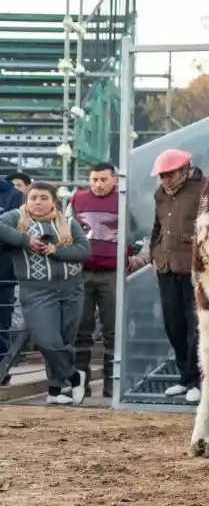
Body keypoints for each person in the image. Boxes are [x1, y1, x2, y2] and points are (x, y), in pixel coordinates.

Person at [0, 181, 91, 405]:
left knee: (64, 341)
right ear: (26, 200)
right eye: (33, 198)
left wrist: (56, 250)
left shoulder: (68, 222)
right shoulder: (16, 218)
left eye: (43, 198)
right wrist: (26, 240)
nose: (38, 202)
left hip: (72, 288)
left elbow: (84, 250)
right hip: (36, 290)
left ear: (53, 201)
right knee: (46, 340)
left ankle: (55, 390)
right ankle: (74, 376)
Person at [149, 149, 205, 403]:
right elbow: (157, 226)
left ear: (184, 169)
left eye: (169, 174)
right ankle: (185, 377)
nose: (165, 180)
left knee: (196, 325)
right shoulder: (160, 194)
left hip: (195, 268)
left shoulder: (205, 189)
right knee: (173, 324)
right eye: (161, 176)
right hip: (166, 267)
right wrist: (154, 253)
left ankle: (196, 380)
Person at [67, 162, 121, 398]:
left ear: (115, 179)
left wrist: (139, 256)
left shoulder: (124, 200)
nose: (98, 184)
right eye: (94, 180)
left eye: (103, 179)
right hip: (82, 271)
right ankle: (80, 383)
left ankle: (112, 383)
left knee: (113, 329)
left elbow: (141, 229)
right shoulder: (77, 199)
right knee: (81, 329)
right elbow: (65, 229)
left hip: (113, 272)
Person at [0, 178, 24, 385]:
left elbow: (16, 231)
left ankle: (2, 369)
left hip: (3, 272)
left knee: (2, 323)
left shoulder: (12, 195)